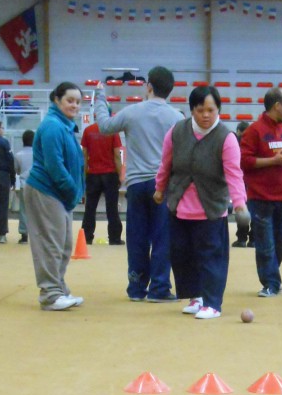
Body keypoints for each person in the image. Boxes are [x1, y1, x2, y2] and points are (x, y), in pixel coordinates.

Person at [154, 85, 247, 320]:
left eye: (211, 110)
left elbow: (234, 174)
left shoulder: (226, 138)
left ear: (218, 110)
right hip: (179, 205)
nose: (206, 115)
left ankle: (213, 303)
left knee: (210, 257)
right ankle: (197, 297)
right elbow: (165, 164)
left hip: (210, 209)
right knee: (182, 255)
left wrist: (240, 204)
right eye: (200, 110)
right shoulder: (177, 132)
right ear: (192, 110)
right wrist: (159, 188)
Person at [94, 66, 182, 302]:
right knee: (163, 237)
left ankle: (136, 287)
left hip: (135, 184)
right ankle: (160, 288)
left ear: (149, 86)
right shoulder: (177, 117)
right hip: (163, 185)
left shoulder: (131, 112)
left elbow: (103, 126)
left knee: (137, 237)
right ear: (170, 90)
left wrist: (100, 98)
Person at [24, 81, 85, 311]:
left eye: (78, 102)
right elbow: (55, 166)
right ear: (57, 100)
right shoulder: (52, 126)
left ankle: (58, 289)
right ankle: (50, 293)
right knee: (50, 243)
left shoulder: (65, 126)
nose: (75, 105)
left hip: (59, 194)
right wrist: (72, 190)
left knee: (63, 244)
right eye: (70, 100)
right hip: (47, 191)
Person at [240, 87, 282, 297]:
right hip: (260, 197)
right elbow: (244, 161)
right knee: (265, 244)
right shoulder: (254, 130)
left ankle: (272, 277)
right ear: (277, 106)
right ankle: (270, 283)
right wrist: (273, 160)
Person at [80, 121, 124, 245]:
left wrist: (84, 174)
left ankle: (87, 237)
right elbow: (116, 155)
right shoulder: (113, 131)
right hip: (110, 174)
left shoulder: (88, 130)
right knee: (112, 208)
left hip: (93, 174)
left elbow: (84, 154)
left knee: (90, 208)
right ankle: (114, 238)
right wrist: (120, 174)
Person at [232, 121, 254, 248]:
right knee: (254, 210)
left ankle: (241, 238)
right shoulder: (253, 142)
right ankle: (253, 239)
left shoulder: (235, 142)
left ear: (239, 131)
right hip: (253, 181)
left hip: (240, 181)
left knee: (241, 209)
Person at [14, 128, 34, 244]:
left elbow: (16, 170)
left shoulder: (18, 155)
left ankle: (24, 234)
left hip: (23, 185)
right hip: (38, 185)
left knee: (24, 210)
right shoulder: (38, 154)